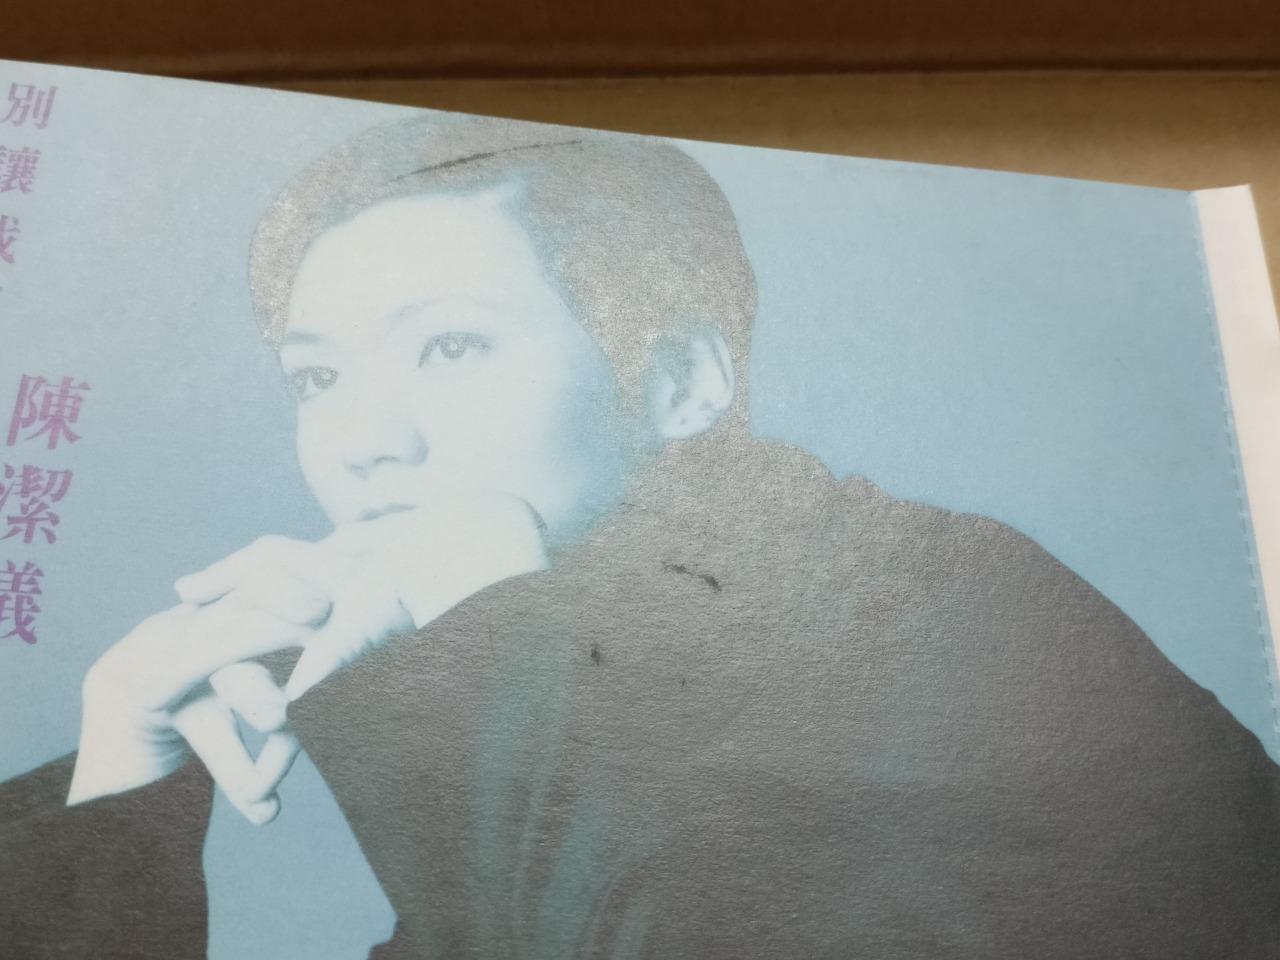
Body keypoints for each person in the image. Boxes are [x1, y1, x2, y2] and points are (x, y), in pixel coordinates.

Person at [2, 114, 1278, 959]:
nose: (362, 441)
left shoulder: (939, 614)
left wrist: (495, 636)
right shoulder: (540, 694)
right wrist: (111, 806)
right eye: (316, 377)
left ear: (678, 384)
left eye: (448, 347)